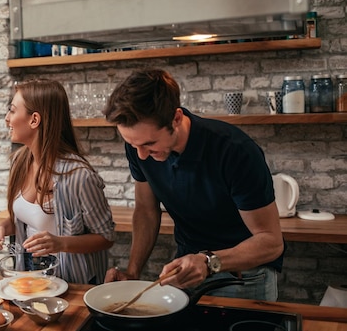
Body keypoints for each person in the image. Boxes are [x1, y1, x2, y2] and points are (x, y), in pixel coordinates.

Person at [102, 69, 284, 301]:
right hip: (186, 269)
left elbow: (271, 242)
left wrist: (208, 261)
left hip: (243, 277)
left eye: (149, 144)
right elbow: (147, 211)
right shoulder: (139, 147)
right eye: (132, 144)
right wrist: (133, 272)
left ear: (176, 118)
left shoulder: (235, 151)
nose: (142, 154)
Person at [0, 79, 115, 284]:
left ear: (34, 120)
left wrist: (60, 244)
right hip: (30, 280)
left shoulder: (79, 176)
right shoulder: (20, 161)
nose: (7, 118)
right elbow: (26, 220)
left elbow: (106, 237)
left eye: (12, 110)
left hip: (72, 284)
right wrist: (3, 227)